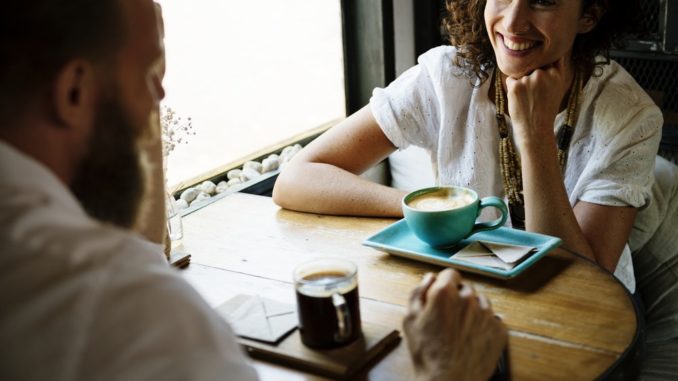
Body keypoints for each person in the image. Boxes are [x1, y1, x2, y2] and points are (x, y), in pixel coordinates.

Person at [0, 0, 506, 380]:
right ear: (73, 93)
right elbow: (295, 177)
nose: (160, 100)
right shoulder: (132, 312)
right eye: (150, 76)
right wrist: (442, 373)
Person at [272, 0, 663, 294]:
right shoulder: (446, 76)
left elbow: (582, 283)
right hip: (470, 294)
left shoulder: (632, 116)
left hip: (590, 318)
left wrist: (534, 134)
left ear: (588, 15)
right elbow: (296, 179)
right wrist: (434, 212)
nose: (512, 21)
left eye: (543, 0)